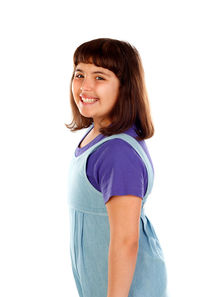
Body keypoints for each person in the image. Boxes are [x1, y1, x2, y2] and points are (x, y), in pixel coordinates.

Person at [65, 38, 169, 297]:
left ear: (125, 88)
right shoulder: (97, 135)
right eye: (80, 74)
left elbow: (125, 241)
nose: (85, 86)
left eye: (100, 77)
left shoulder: (117, 153)